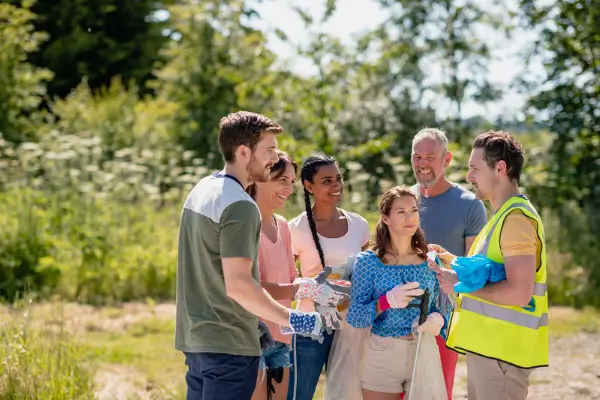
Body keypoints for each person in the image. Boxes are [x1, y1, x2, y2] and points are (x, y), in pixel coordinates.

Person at [174, 111, 345, 400]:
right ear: (243, 152)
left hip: (197, 340)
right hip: (230, 346)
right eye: (269, 150)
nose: (274, 158)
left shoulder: (202, 189)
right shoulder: (241, 205)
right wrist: (293, 319)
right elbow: (239, 284)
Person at [430, 131, 549, 400]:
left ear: (500, 168)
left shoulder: (515, 220)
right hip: (493, 352)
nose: (469, 177)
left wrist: (459, 285)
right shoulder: (502, 217)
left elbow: (519, 293)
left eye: (475, 168)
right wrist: (450, 260)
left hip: (502, 355)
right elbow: (488, 270)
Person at [346, 185, 448, 400]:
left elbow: (443, 307)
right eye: (401, 212)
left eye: (413, 210)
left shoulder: (430, 261)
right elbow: (355, 317)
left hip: (423, 349)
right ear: (385, 218)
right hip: (382, 353)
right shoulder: (368, 262)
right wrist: (385, 301)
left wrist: (439, 318)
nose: (409, 217)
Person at [410, 127, 487, 398]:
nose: (422, 164)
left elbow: (472, 268)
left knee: (437, 391)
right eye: (416, 157)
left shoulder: (470, 205)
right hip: (398, 315)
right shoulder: (402, 201)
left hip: (443, 318)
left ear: (447, 159)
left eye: (430, 157)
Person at [286, 154, 371, 400]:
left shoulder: (359, 225)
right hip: (310, 324)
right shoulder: (295, 228)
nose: (336, 186)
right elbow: (287, 280)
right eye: (327, 181)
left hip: (351, 324)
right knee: (299, 394)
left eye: (338, 178)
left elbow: (368, 272)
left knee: (347, 394)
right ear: (308, 186)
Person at [245, 150, 300, 400]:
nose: (288, 188)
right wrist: (299, 289)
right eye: (282, 180)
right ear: (261, 177)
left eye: (291, 182)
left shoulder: (284, 225)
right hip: (251, 337)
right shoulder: (245, 224)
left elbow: (291, 277)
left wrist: (320, 287)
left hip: (281, 336)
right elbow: (250, 286)